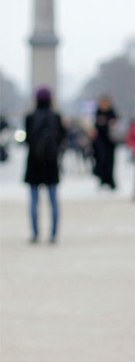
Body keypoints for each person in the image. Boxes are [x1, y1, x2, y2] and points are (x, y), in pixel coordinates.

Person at [23, 86, 66, 244]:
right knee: (53, 199)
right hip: (51, 161)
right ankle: (53, 234)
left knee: (34, 200)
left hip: (34, 161)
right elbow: (62, 138)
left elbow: (27, 140)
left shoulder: (30, 117)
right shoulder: (56, 116)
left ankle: (35, 233)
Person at [92, 95, 119, 189]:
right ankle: (102, 180)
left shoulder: (112, 113)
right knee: (102, 160)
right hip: (100, 142)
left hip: (110, 142)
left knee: (110, 162)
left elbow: (115, 124)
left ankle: (110, 181)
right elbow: (95, 125)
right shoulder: (98, 112)